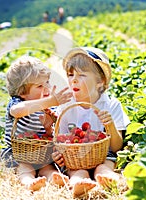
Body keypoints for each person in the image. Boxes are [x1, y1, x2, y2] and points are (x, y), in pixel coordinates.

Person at [52, 47, 130, 197]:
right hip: (75, 158)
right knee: (77, 171)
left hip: (103, 155)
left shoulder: (111, 105)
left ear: (100, 81)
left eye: (81, 75)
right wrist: (58, 155)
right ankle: (78, 183)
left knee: (105, 167)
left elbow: (116, 146)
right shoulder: (66, 106)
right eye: (70, 74)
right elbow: (59, 140)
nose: (74, 79)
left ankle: (109, 179)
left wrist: (110, 126)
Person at [1, 55, 73, 191]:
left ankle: (55, 178)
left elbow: (48, 136)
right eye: (40, 86)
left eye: (47, 82)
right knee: (25, 168)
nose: (46, 88)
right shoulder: (18, 103)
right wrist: (50, 101)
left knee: (48, 167)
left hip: (41, 154)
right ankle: (29, 182)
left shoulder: (47, 109)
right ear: (22, 92)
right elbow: (17, 111)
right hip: (18, 154)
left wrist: (48, 129)